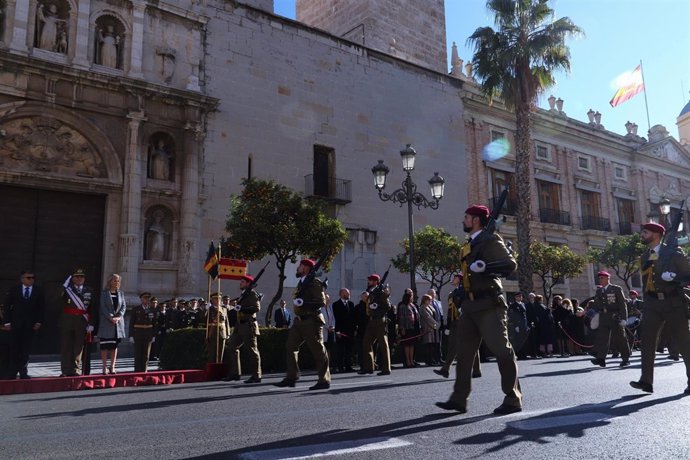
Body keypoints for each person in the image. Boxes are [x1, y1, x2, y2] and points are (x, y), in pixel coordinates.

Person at [436, 204, 520, 415]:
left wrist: (486, 266)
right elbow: (470, 274)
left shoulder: (491, 240)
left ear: (475, 220)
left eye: (466, 217)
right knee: (464, 354)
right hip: (470, 306)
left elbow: (510, 264)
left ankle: (512, 398)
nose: (463, 220)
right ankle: (458, 399)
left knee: (502, 350)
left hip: (489, 304)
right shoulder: (469, 245)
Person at [631, 222, 690, 394]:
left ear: (656, 234)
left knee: (684, 343)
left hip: (673, 303)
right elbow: (645, 283)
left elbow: (688, 276)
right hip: (652, 305)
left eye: (645, 232)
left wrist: (675, 277)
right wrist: (645, 304)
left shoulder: (673, 254)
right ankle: (646, 381)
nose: (642, 235)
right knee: (647, 342)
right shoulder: (644, 257)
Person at [275, 259, 331, 390]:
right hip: (299, 321)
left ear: (306, 268)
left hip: (311, 320)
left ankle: (324, 380)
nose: (298, 267)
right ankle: (291, 377)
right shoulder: (302, 283)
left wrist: (304, 303)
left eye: (300, 265)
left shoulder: (315, 282)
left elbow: (321, 302)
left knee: (318, 350)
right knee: (290, 346)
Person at [3, 270, 45, 379]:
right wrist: (6, 322)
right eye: (28, 278)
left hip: (30, 325)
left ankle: (23, 372)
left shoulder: (38, 290)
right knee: (14, 348)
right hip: (15, 324)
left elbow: (41, 308)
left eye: (33, 277)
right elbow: (7, 306)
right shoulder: (14, 290)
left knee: (25, 349)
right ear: (22, 279)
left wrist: (38, 321)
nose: (31, 279)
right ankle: (12, 372)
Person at [225, 275, 262, 384]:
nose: (240, 283)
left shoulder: (252, 294)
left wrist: (242, 308)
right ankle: (235, 373)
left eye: (242, 282)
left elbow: (256, 308)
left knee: (252, 350)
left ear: (248, 283)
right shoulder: (243, 294)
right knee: (232, 347)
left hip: (248, 325)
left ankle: (256, 375)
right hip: (239, 325)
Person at [590, 271, 630, 368]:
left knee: (620, 338)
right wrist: (586, 313)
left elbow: (622, 305)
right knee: (602, 338)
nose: (600, 280)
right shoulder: (599, 291)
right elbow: (595, 305)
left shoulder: (616, 289)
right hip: (603, 316)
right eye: (599, 278)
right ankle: (601, 359)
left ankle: (625, 358)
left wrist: (624, 318)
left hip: (615, 316)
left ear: (608, 278)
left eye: (602, 278)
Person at [60, 268, 95, 377]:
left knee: (78, 348)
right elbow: (57, 298)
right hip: (68, 322)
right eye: (77, 276)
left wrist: (92, 324)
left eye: (82, 277)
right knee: (66, 347)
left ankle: (76, 369)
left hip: (82, 322)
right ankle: (65, 370)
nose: (80, 278)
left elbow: (93, 309)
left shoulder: (89, 290)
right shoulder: (67, 289)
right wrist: (63, 287)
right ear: (73, 278)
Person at [359, 274, 392, 376]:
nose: (368, 282)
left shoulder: (380, 292)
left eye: (370, 280)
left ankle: (386, 369)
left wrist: (377, 308)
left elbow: (388, 306)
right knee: (366, 343)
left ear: (375, 282)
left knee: (383, 345)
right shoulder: (370, 291)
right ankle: (369, 367)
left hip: (379, 320)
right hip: (371, 321)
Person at [98, 274, 126, 374]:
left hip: (117, 324)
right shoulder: (104, 293)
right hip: (106, 322)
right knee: (105, 346)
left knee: (114, 346)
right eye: (114, 280)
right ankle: (104, 367)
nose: (116, 282)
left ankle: (112, 366)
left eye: (118, 281)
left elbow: (123, 306)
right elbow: (103, 307)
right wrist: (111, 317)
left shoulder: (121, 293)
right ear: (110, 281)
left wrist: (118, 316)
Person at [129, 292, 159, 372]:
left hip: (148, 333)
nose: (146, 300)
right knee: (138, 353)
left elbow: (155, 323)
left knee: (146, 354)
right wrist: (131, 335)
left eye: (147, 298)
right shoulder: (136, 309)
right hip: (138, 333)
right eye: (144, 298)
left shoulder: (152, 310)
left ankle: (144, 371)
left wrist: (154, 335)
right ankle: (137, 371)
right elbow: (131, 323)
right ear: (141, 299)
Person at [332, 288, 355, 373]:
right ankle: (340, 367)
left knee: (349, 350)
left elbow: (353, 318)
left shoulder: (351, 304)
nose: (348, 295)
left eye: (349, 293)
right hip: (340, 331)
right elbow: (336, 318)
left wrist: (354, 329)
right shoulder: (336, 305)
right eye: (346, 293)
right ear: (341, 294)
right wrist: (337, 331)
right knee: (340, 350)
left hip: (350, 331)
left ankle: (349, 366)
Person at [205, 292, 229, 364]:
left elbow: (226, 322)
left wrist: (228, 333)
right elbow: (202, 318)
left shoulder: (223, 309)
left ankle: (219, 368)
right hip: (212, 332)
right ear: (212, 300)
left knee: (220, 353)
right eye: (216, 298)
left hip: (222, 332)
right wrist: (206, 309)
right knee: (212, 353)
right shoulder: (209, 309)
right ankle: (211, 369)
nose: (218, 300)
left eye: (219, 298)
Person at [397, 288, 419, 368]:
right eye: (410, 296)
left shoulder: (413, 305)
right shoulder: (403, 306)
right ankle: (408, 361)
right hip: (406, 328)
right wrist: (402, 328)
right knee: (407, 345)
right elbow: (401, 318)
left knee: (412, 345)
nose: (411, 297)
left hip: (413, 328)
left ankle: (412, 360)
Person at [419, 294, 439, 366]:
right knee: (427, 345)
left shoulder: (430, 307)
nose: (430, 301)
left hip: (432, 328)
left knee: (431, 345)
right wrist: (435, 324)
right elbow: (427, 317)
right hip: (427, 328)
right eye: (429, 300)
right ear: (425, 300)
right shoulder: (422, 308)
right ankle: (428, 360)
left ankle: (432, 359)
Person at [427, 288, 444, 365]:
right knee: (432, 343)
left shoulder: (438, 302)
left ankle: (439, 358)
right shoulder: (427, 303)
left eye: (433, 293)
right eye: (431, 293)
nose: (432, 295)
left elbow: (441, 313)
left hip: (439, 324)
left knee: (439, 343)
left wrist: (441, 323)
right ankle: (433, 359)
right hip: (431, 326)